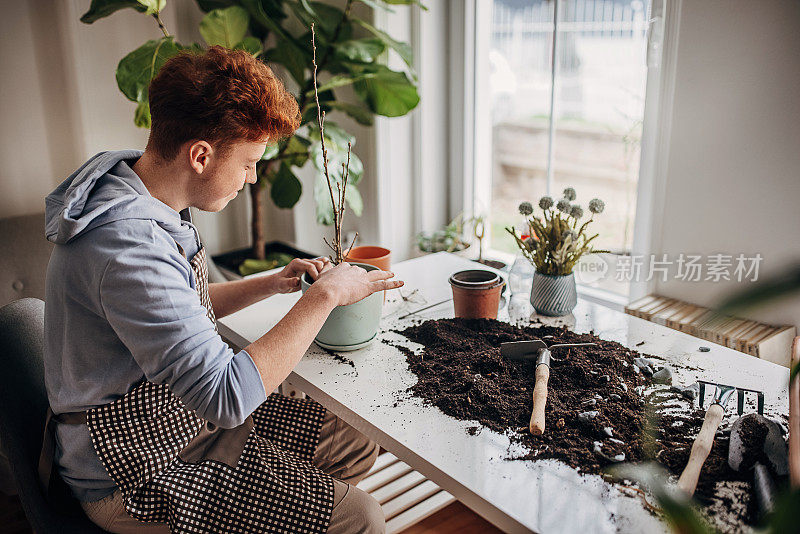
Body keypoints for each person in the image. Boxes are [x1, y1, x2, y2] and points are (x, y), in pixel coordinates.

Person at [41, 45, 402, 534]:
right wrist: (325, 296)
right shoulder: (127, 248)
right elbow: (228, 397)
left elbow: (181, 308)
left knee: (352, 437)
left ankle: (279, 507)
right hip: (136, 467)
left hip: (178, 414)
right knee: (361, 518)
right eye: (250, 161)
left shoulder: (140, 190)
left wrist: (271, 283)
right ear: (201, 155)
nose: (252, 177)